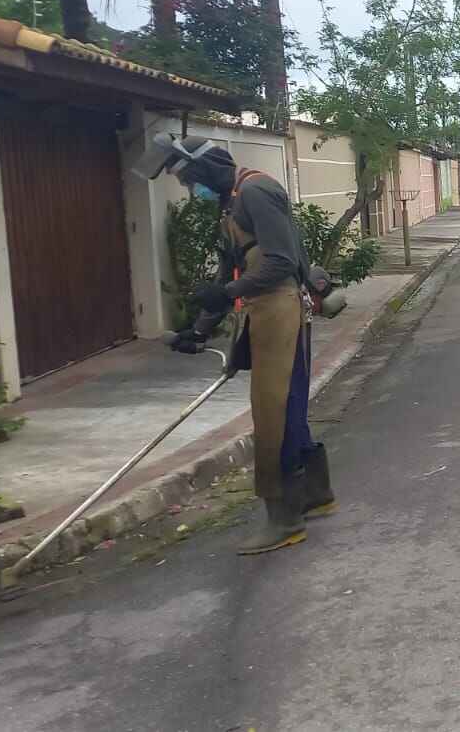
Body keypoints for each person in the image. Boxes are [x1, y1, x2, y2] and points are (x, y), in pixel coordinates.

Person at [134, 133, 335, 555]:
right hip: (261, 309)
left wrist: (228, 292)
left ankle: (284, 521)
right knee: (287, 407)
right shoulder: (231, 201)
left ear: (207, 170)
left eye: (190, 180)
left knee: (274, 412)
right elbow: (233, 266)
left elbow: (281, 261)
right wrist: (201, 328)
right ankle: (316, 495)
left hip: (281, 308)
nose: (192, 190)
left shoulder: (257, 190)